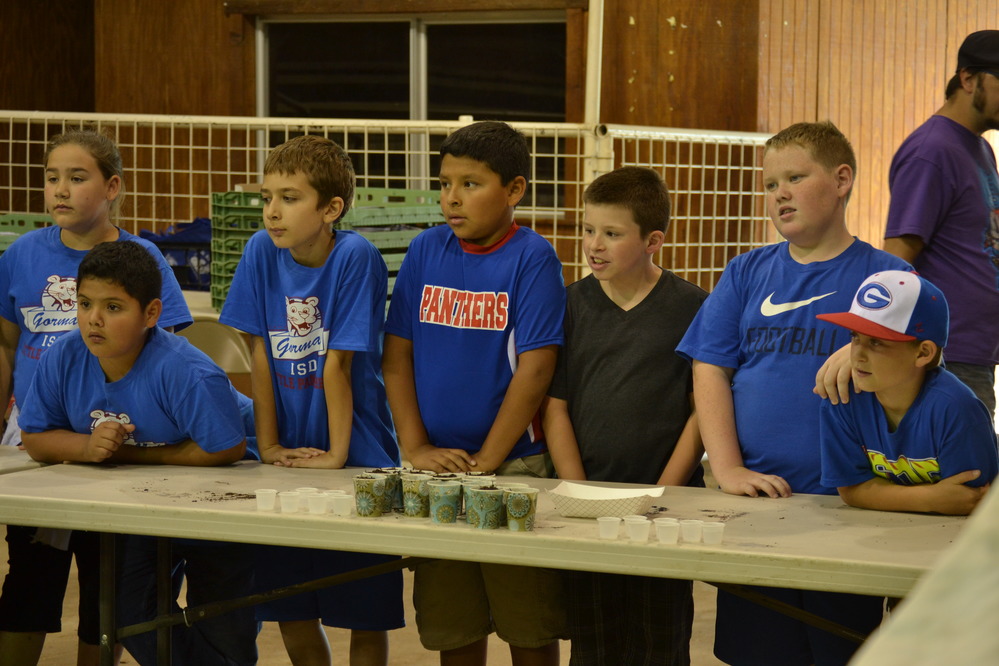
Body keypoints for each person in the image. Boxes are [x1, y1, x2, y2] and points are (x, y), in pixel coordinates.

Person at [676, 121, 910, 666]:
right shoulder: (746, 272)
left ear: (842, 179)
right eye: (769, 184)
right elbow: (709, 370)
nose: (778, 193)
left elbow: (925, 369)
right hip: (760, 505)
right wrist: (728, 470)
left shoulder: (889, 277)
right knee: (759, 649)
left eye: (795, 177)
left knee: (839, 648)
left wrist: (864, 349)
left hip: (852, 506)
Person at [0, 128, 192, 666]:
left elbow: (169, 354)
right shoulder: (21, 255)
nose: (60, 189)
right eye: (52, 177)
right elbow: (7, 347)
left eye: (77, 178)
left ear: (111, 187)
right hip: (42, 443)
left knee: (107, 583)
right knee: (32, 577)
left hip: (118, 441)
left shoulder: (141, 256)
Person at [17, 240, 255, 666]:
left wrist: (131, 456)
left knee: (223, 622)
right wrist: (88, 447)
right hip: (149, 498)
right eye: (85, 303)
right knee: (129, 615)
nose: (93, 318)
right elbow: (35, 436)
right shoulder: (65, 357)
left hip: (230, 491)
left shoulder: (186, 371)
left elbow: (227, 448)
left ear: (151, 314)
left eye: (112, 307)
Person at [382, 121, 567, 665]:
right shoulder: (424, 250)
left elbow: (535, 370)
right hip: (438, 469)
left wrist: (488, 460)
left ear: (514, 190)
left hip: (512, 470)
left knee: (527, 625)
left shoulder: (533, 258)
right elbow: (397, 359)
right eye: (444, 184)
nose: (452, 198)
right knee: (452, 623)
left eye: (470, 183)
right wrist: (415, 449)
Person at [220, 134, 403, 666]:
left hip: (358, 458)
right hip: (289, 461)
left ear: (331, 208)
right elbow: (259, 352)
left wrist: (338, 456)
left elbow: (338, 362)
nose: (272, 212)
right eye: (266, 197)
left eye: (290, 198)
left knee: (363, 613)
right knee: (290, 609)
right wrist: (270, 443)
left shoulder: (355, 256)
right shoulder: (261, 249)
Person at [543, 166, 706, 665]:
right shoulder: (570, 304)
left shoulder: (693, 307)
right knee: (593, 645)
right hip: (587, 506)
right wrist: (580, 495)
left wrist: (663, 493)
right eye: (588, 230)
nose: (595, 245)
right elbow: (555, 407)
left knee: (660, 644)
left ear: (653, 240)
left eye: (612, 234)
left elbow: (702, 414)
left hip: (664, 509)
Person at [881, 30, 999, 420]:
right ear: (968, 79)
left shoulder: (979, 148)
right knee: (962, 477)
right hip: (947, 358)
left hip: (974, 355)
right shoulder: (932, 152)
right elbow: (896, 260)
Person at [817, 270, 998, 515]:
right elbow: (851, 489)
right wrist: (929, 499)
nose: (857, 354)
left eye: (877, 342)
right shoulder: (843, 399)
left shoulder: (956, 408)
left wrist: (886, 495)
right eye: (855, 337)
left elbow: (971, 501)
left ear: (923, 353)